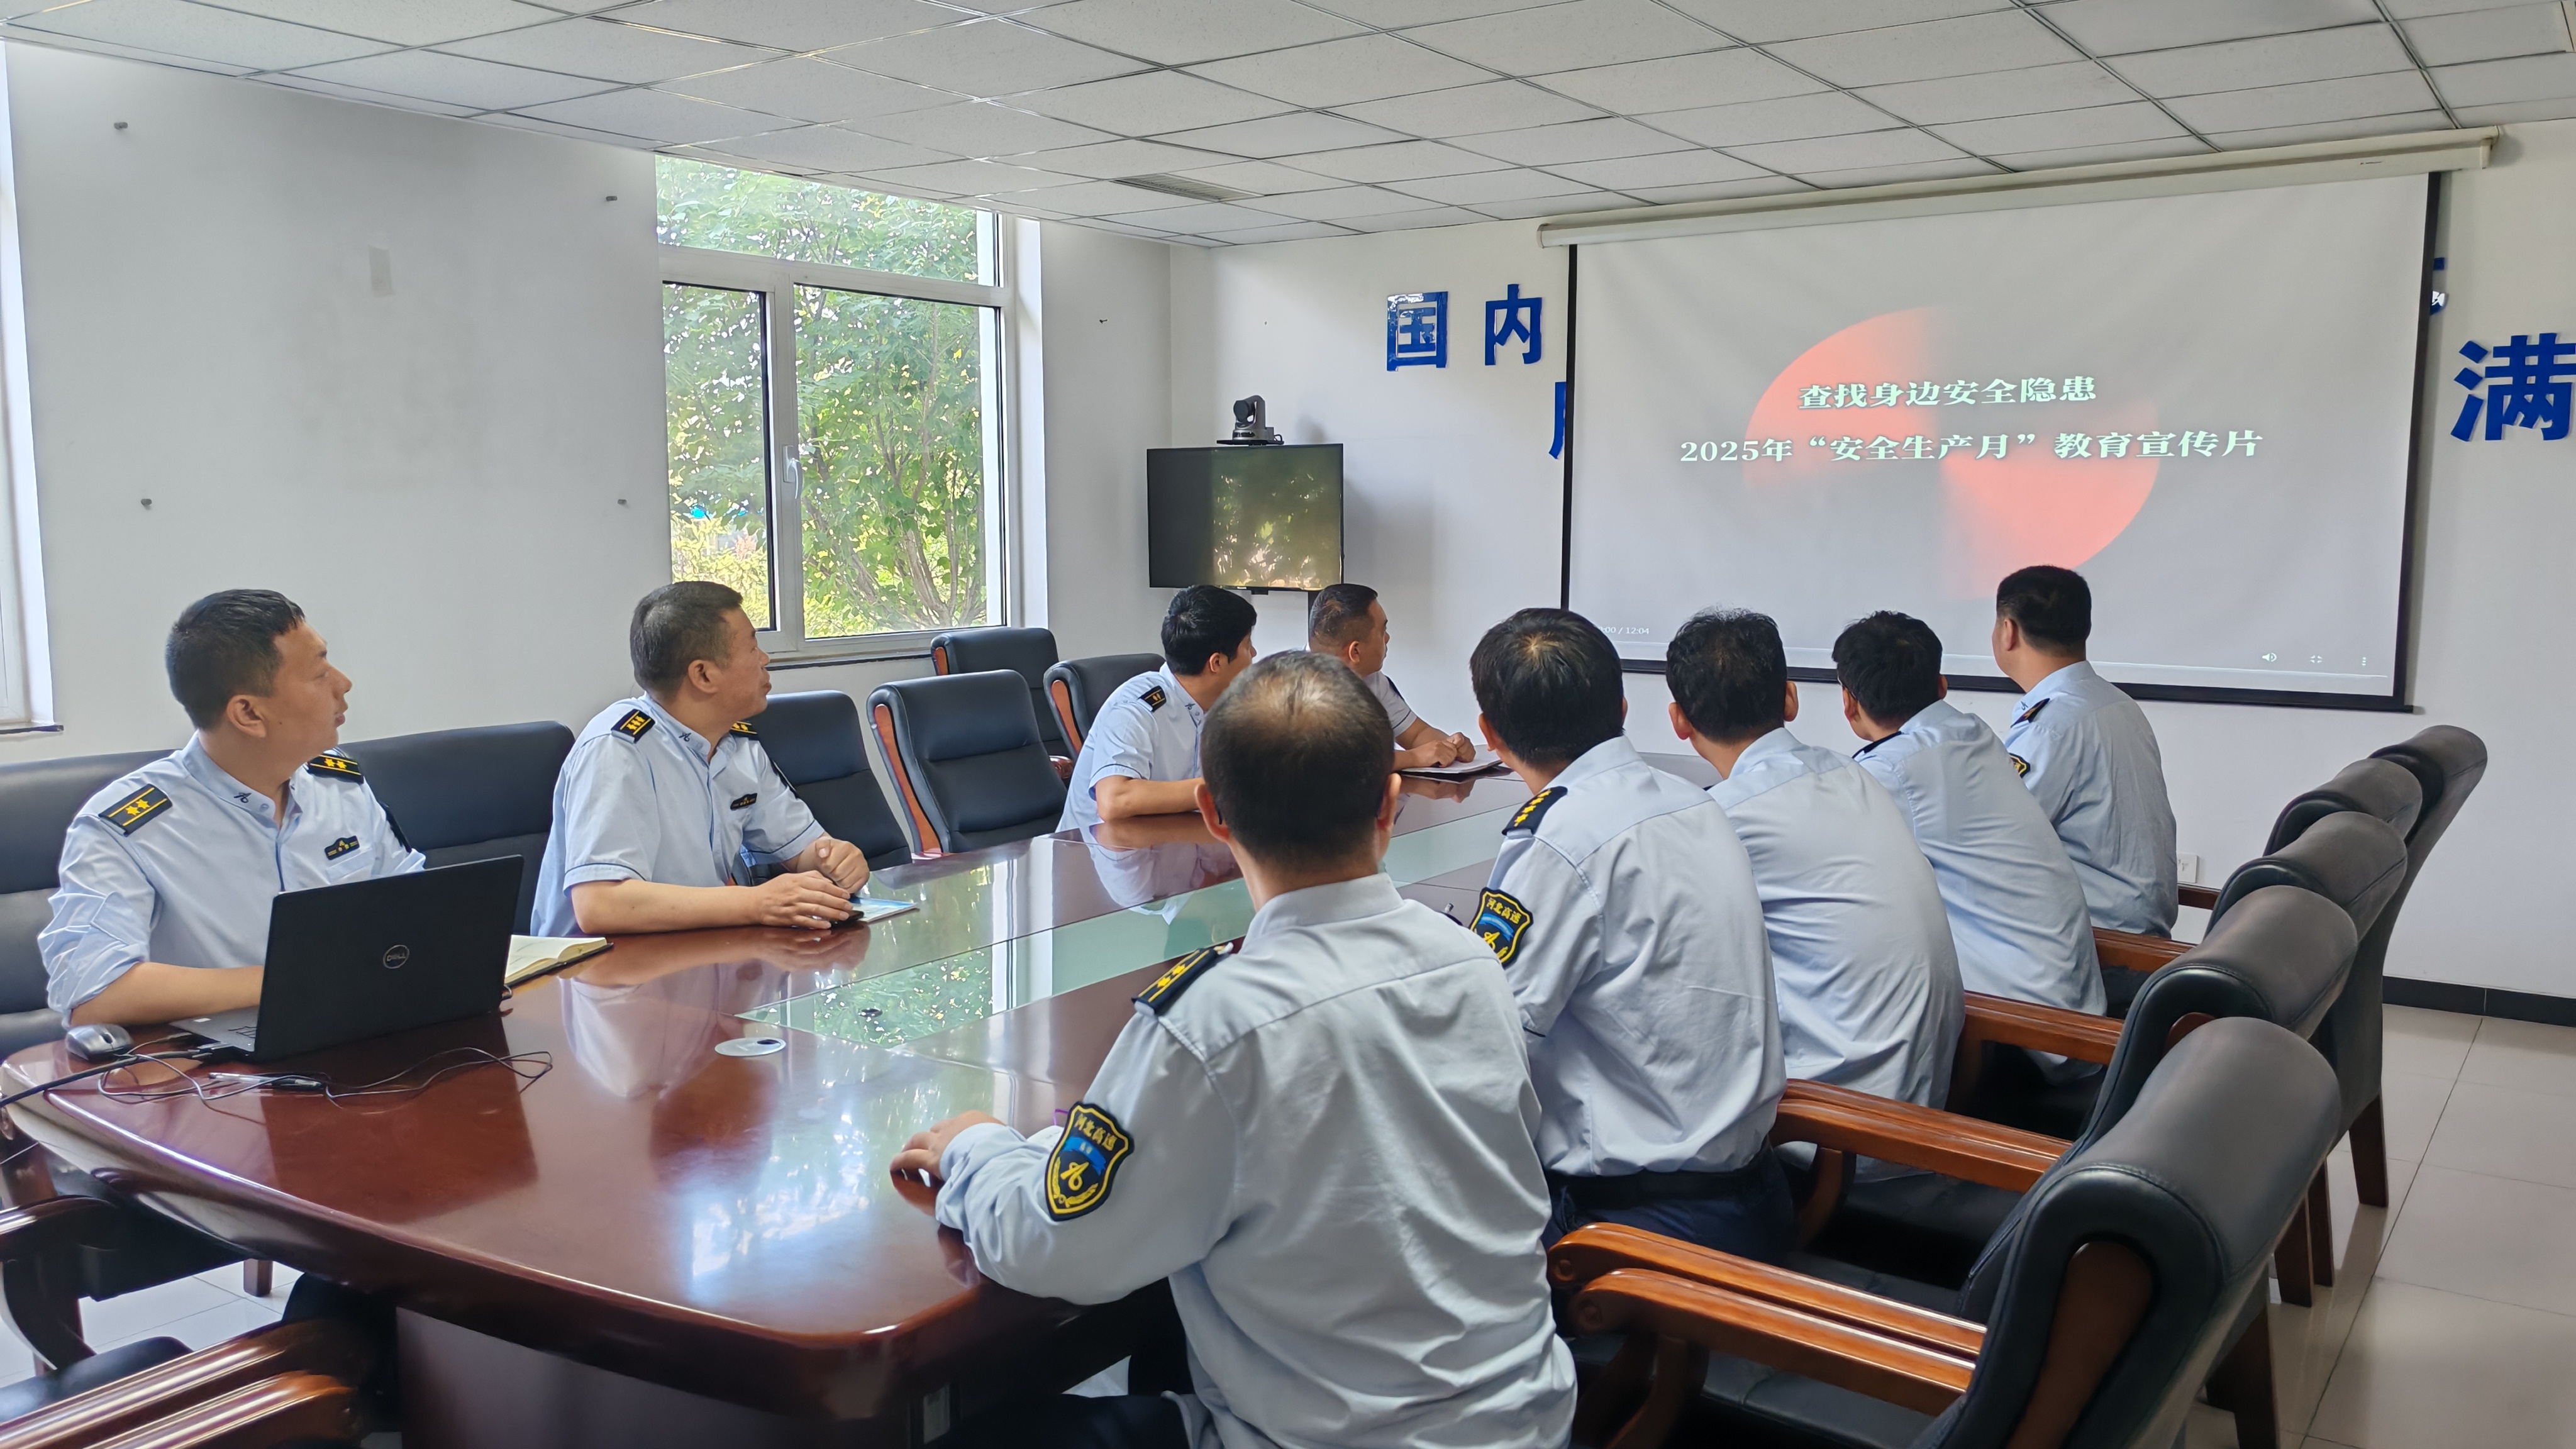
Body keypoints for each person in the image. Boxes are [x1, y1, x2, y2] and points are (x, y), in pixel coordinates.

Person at [894, 652, 1575, 1449]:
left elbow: (1055, 1249)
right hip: (1530, 1425)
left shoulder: (1209, 1022)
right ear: (1390, 803)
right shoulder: (1474, 964)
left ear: (1212, 812)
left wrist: (978, 1149)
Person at [1470, 608, 1789, 1260]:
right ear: (1621, 707)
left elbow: (1484, 1042)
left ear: (1490, 734)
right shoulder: (1693, 801)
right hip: (1754, 1196)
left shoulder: (1560, 842)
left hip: (1634, 1234)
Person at [43, 589, 426, 1026]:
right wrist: (298, 978)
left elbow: (416, 910)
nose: (343, 683)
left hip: (363, 1033)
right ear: (248, 714)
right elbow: (97, 994)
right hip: (222, 1061)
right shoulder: (126, 828)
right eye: (320, 673)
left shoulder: (338, 785)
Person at [1666, 609, 1962, 1112]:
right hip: (1924, 1090)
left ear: (1678, 721)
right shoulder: (1853, 774)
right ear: (1791, 698)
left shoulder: (1723, 818)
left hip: (1836, 1123)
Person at [530, 582, 870, 936]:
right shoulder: (617, 749)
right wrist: (755, 903)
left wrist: (834, 859)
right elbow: (601, 905)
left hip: (692, 951)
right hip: (598, 964)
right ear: (703, 675)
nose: (765, 660)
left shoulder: (737, 743)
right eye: (752, 648)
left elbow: (800, 852)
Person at [1833, 612, 2104, 1026]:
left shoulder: (1891, 770)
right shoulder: (1974, 734)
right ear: (1941, 686)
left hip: (2018, 1016)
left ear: (1849, 703)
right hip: (2065, 988)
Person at [1992, 565, 2180, 936]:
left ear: (2008, 631)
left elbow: (1994, 840)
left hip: (2099, 940)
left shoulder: (2051, 727)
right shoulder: (2114, 702)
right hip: (2130, 925)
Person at [1058, 586, 1258, 831]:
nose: (1254, 653)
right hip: (1096, 851)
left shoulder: (1219, 707)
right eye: (1247, 646)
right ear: (1216, 663)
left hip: (1170, 842)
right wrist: (1219, 790)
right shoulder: (1137, 709)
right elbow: (1114, 801)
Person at [1306, 582, 1475, 769]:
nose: (1387, 638)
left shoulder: (1372, 680)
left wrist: (1452, 747)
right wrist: (1414, 758)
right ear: (1355, 652)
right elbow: (1338, 764)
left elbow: (1416, 734)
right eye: (1382, 631)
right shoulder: (1294, 688)